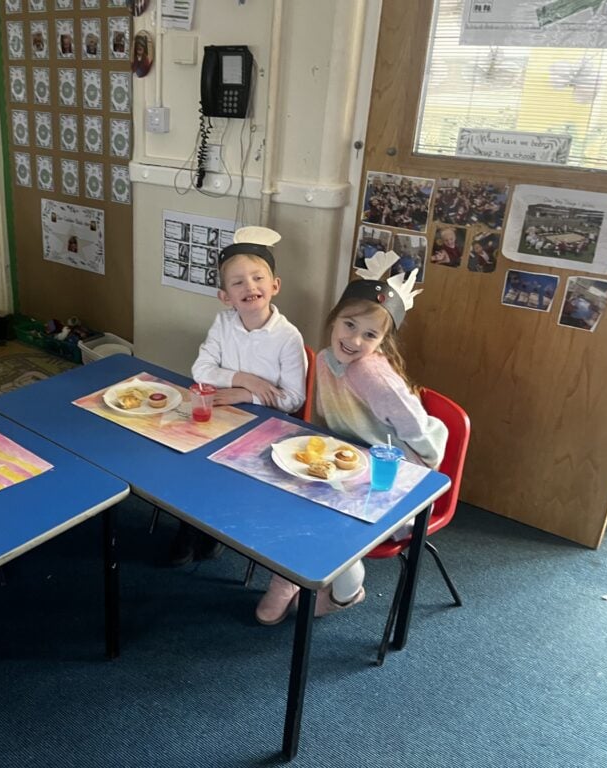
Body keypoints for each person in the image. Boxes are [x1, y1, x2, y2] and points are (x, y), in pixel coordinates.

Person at [255, 249, 447, 625]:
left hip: (393, 469)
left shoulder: (373, 375)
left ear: (382, 341)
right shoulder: (327, 358)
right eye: (349, 325)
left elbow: (415, 427)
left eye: (370, 335)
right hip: (346, 458)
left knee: (333, 516)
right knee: (287, 488)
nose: (355, 340)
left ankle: (345, 591)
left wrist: (424, 469)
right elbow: (327, 422)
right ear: (334, 319)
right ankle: (288, 575)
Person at [170, 227, 307, 566]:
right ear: (226, 296)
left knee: (229, 467)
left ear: (274, 286)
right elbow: (201, 369)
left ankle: (215, 529)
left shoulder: (288, 338)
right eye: (238, 282)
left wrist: (246, 394)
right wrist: (243, 378)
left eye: (258, 278)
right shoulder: (223, 323)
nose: (250, 287)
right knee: (185, 455)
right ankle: (190, 525)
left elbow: (292, 400)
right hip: (221, 414)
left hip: (267, 427)